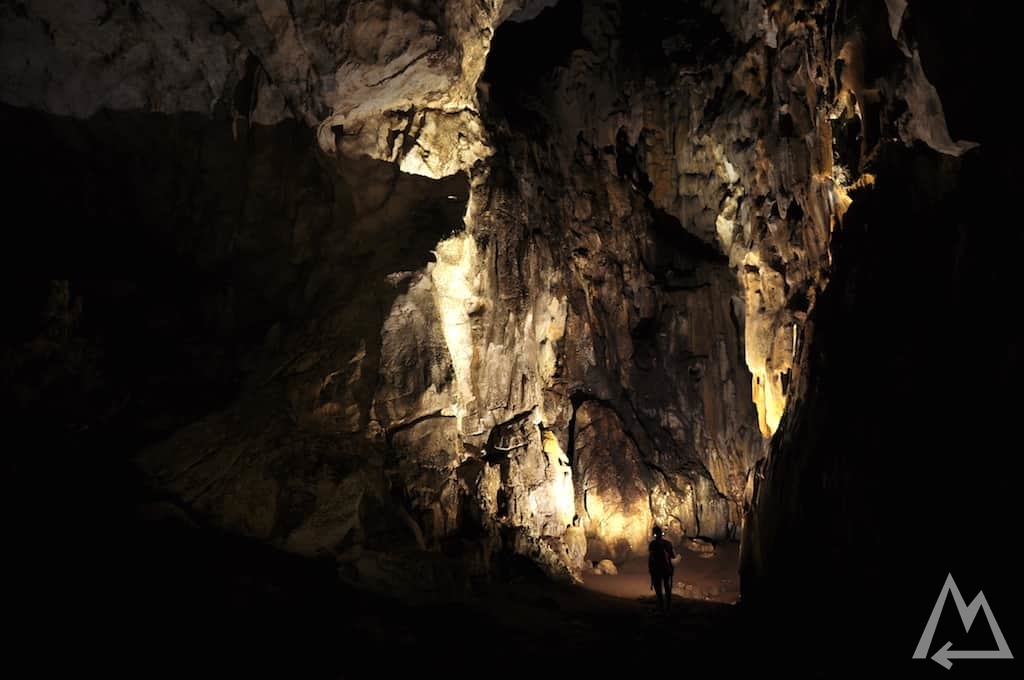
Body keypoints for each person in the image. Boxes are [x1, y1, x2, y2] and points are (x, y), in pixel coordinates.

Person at [648, 525, 676, 612]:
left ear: (654, 535)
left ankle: (661, 605)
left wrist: (650, 569)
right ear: (661, 534)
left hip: (657, 569)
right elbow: (672, 557)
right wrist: (671, 570)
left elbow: (651, 558)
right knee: (667, 586)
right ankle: (668, 605)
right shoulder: (668, 544)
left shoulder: (652, 544)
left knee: (658, 587)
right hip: (666, 569)